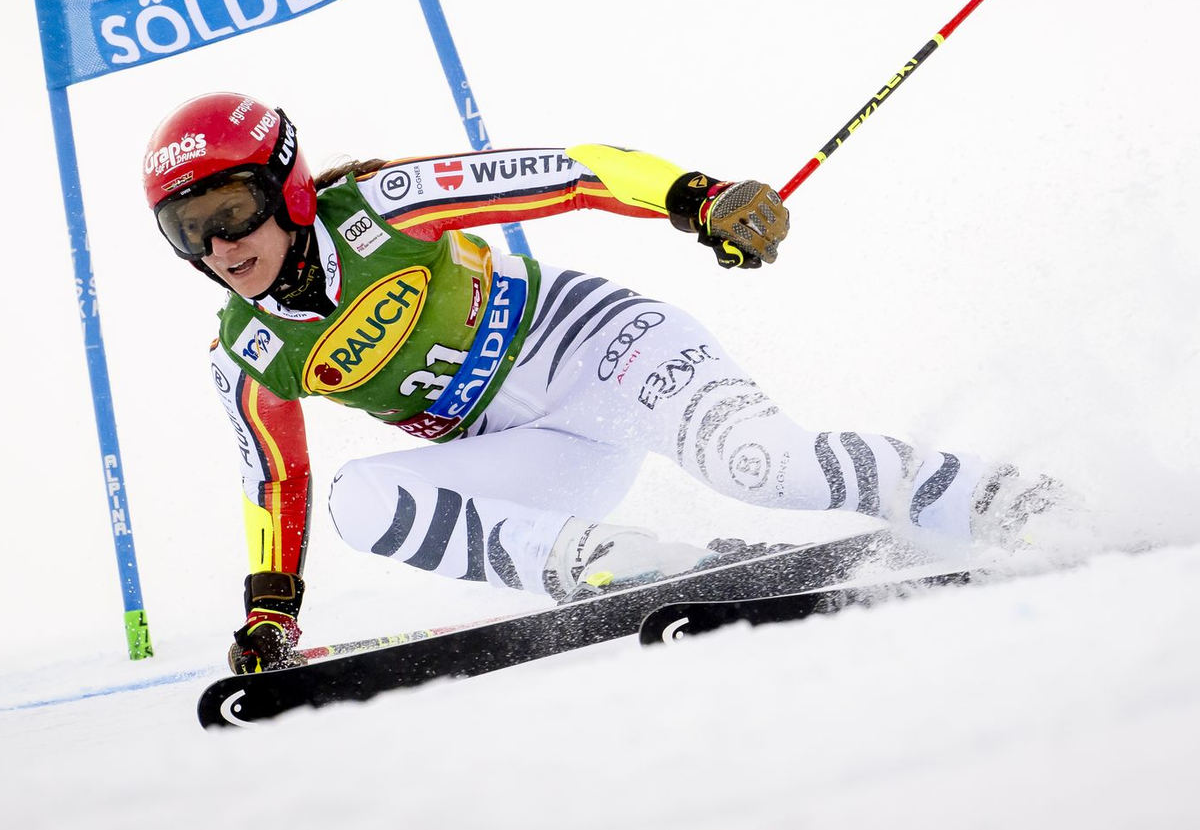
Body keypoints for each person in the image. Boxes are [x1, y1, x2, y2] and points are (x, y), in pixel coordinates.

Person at [144, 92, 1053, 674]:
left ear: (288, 190)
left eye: (231, 211)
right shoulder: (246, 353)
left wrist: (696, 198)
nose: (221, 248)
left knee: (761, 466)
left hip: (602, 350)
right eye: (190, 231)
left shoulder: (383, 205)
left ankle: (1008, 499)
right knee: (359, 499)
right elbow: (277, 481)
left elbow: (573, 173)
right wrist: (271, 614)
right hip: (531, 452)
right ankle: (646, 568)